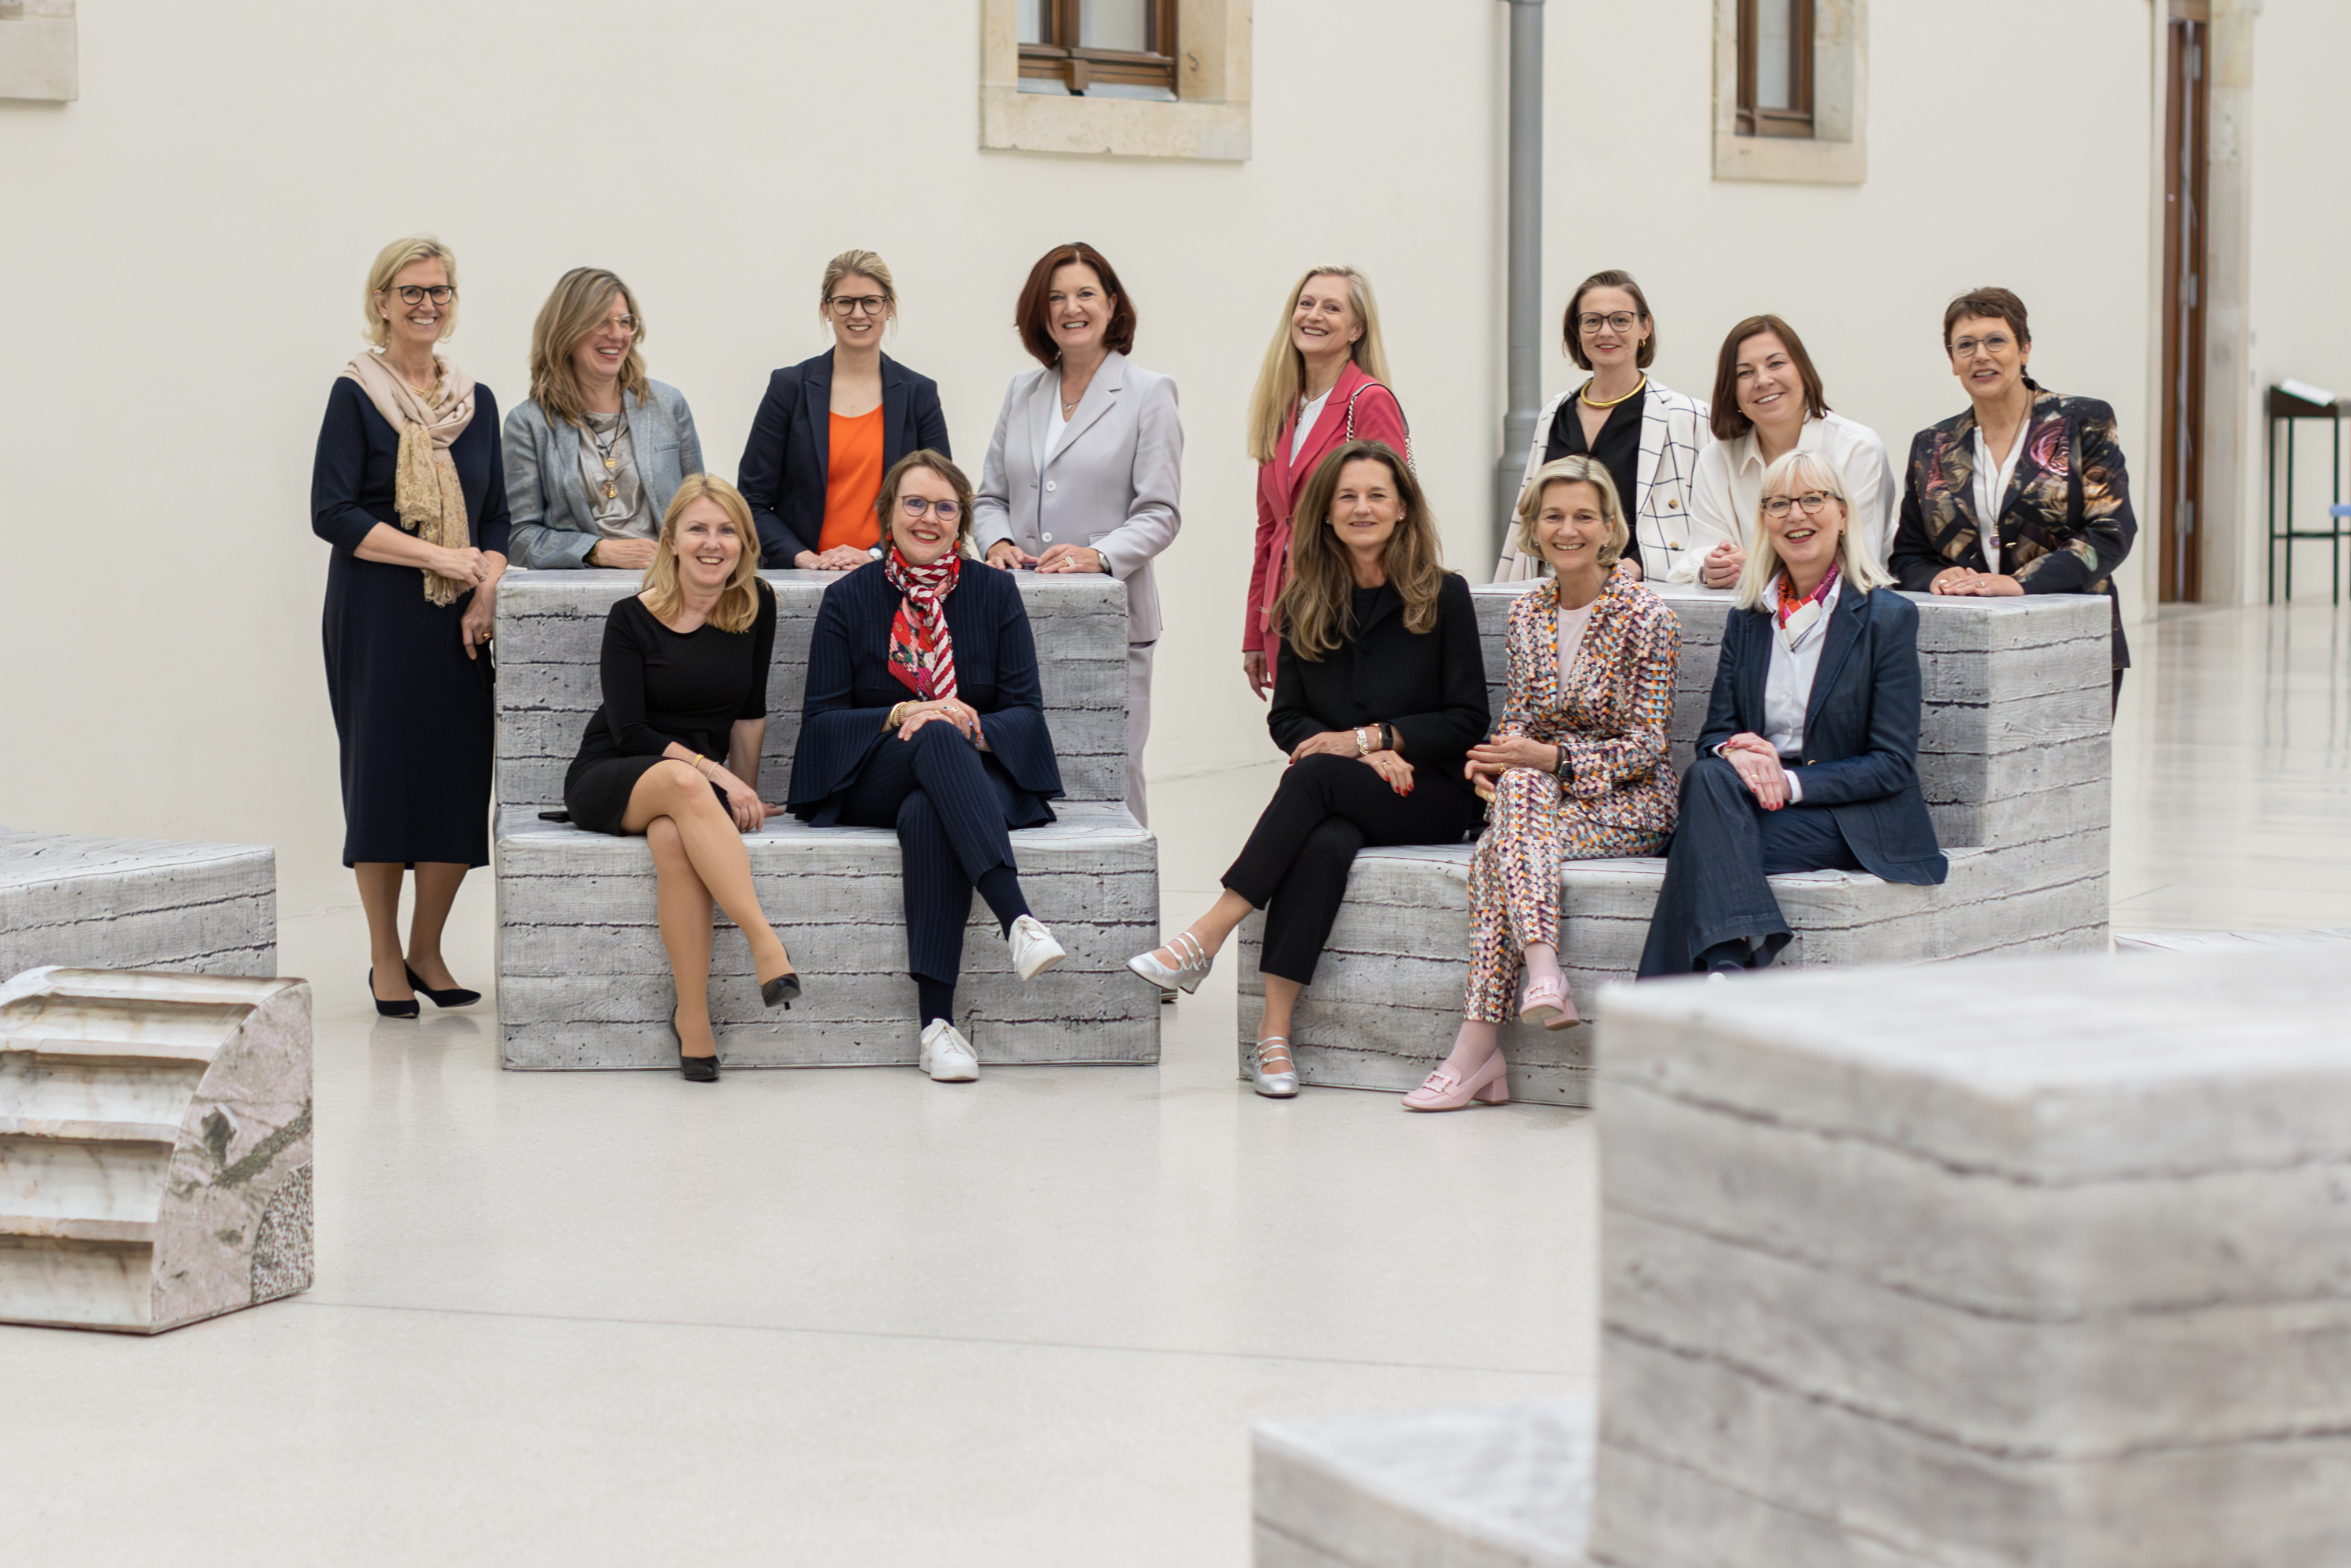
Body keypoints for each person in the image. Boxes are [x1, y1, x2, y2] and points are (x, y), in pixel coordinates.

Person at [1130, 442, 1488, 1098]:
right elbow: (1288, 719)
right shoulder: (1302, 600)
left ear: (1403, 508)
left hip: (1428, 793)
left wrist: (1371, 738)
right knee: (1323, 843)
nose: (1362, 508)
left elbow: (1468, 720)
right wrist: (1359, 749)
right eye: (1347, 497)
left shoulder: (1445, 594)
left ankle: (1205, 934)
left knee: (1311, 779)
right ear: (1325, 514)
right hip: (1351, 788)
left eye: (1377, 495)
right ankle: (1274, 1036)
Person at [1406, 458, 1681, 1111]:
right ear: (1532, 527)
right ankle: (1541, 976)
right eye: (1553, 515)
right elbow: (1521, 719)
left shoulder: (1648, 616)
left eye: (1584, 515)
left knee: (1498, 847)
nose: (1568, 529)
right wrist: (1494, 757)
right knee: (1517, 800)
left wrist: (1548, 758)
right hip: (1546, 800)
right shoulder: (1527, 612)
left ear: (1610, 526)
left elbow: (1648, 745)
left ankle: (1478, 1047)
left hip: (1632, 802)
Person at [788, 451, 1069, 1084]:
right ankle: (1016, 918)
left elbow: (1025, 714)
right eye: (914, 503)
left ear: (962, 519)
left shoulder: (994, 593)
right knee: (931, 734)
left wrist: (965, 722)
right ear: (888, 512)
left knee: (930, 801)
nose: (929, 518)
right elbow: (821, 727)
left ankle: (936, 1028)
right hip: (871, 774)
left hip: (969, 774)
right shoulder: (848, 598)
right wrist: (901, 714)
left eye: (946, 507)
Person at [1638, 450, 1947, 979]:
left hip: (1846, 817)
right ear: (1764, 521)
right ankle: (1729, 966)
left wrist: (1790, 783)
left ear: (1843, 514)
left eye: (1812, 499)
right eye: (1778, 503)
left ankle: (1697, 981)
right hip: (1751, 803)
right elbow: (1715, 733)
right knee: (1710, 773)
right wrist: (1738, 750)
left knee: (1699, 834)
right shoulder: (1749, 618)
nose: (1795, 515)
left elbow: (1892, 763)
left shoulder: (1886, 618)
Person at [311, 236, 509, 1019]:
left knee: (456, 778)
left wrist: (484, 586)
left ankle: (429, 947)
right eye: (411, 291)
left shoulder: (477, 401)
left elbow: (495, 515)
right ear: (382, 301)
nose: (426, 304)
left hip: (461, 617)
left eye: (439, 290)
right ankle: (385, 955)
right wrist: (445, 558)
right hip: (377, 614)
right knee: (384, 778)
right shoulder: (356, 393)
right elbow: (334, 512)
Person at [560, 476, 800, 1082]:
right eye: (697, 528)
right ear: (670, 540)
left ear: (745, 544)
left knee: (673, 838)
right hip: (615, 773)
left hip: (690, 784)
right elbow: (630, 731)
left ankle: (693, 1020)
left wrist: (744, 793)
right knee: (686, 786)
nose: (712, 543)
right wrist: (719, 777)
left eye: (727, 531)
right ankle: (764, 943)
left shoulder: (757, 605)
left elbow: (749, 710)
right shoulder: (630, 619)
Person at [974, 241, 1182, 825]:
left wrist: (1098, 555)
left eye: (1086, 293)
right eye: (1056, 297)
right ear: (1041, 314)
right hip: (1016, 616)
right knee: (1019, 771)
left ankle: (1129, 906)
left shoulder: (1149, 392)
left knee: (1109, 774)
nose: (1072, 307)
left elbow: (1160, 512)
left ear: (1113, 305)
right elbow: (988, 497)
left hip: (1108, 618)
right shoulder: (1022, 391)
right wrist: (995, 542)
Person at [1889, 287, 2139, 708]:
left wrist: (2019, 584)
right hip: (1964, 649)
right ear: (1952, 361)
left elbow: (2111, 531)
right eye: (1965, 345)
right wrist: (1938, 578)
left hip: (2070, 642)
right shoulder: (1932, 445)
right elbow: (1908, 555)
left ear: (2024, 349)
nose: (1980, 355)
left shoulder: (2083, 422)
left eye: (1996, 341)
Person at [1240, 266, 1408, 699]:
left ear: (1356, 328)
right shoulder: (1282, 407)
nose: (1314, 315)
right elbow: (1269, 530)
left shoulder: (1369, 401)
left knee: (1345, 748)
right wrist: (1255, 634)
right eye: (1306, 304)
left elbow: (1395, 516)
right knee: (1302, 741)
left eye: (1332, 308)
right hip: (1285, 612)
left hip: (1347, 610)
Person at [737, 250, 951, 572]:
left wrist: (876, 555)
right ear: (826, 309)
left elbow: (943, 501)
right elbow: (751, 501)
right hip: (804, 576)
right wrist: (803, 558)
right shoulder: (788, 388)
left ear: (889, 308)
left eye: (871, 302)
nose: (858, 313)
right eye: (845, 302)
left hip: (889, 576)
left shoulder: (919, 394)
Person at [1494, 269, 1711, 585]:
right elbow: (1529, 514)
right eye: (1592, 321)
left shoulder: (1686, 416)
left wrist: (1638, 566)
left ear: (1644, 327)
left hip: (1646, 595)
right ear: (1577, 331)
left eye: (1620, 320)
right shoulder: (1554, 414)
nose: (1605, 332)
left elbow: (1704, 522)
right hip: (1560, 593)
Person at [502, 267, 705, 570]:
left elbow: (701, 508)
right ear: (565, 330)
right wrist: (597, 551)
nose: (617, 335)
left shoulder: (667, 405)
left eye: (624, 322)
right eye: (600, 322)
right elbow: (519, 538)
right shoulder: (528, 423)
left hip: (668, 588)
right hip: (578, 596)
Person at [1684, 314, 1896, 588]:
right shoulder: (1715, 460)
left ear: (1803, 373)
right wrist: (1711, 569)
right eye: (1745, 372)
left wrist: (1759, 568)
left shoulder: (1858, 449)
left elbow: (1859, 563)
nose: (1763, 379)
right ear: (1731, 390)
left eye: (1776, 364)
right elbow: (1699, 551)